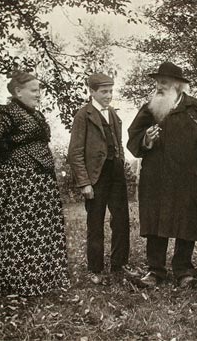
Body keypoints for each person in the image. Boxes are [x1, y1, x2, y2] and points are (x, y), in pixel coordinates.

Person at [127, 62, 197, 288]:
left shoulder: (195, 108)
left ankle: (184, 270)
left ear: (178, 86)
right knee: (155, 222)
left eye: (165, 82)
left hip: (188, 177)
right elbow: (133, 137)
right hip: (157, 178)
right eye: (158, 82)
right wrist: (146, 139)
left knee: (186, 221)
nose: (159, 86)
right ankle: (155, 271)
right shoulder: (150, 109)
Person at [0, 70, 70, 296]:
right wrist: (9, 158)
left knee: (39, 229)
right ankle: (18, 280)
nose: (39, 94)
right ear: (18, 91)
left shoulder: (34, 114)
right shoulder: (7, 111)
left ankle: (42, 277)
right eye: (34, 90)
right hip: (21, 181)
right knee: (21, 229)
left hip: (40, 179)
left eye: (39, 89)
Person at [68, 73, 135, 285]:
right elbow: (75, 153)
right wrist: (85, 183)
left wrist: (121, 163)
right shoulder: (83, 115)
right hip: (96, 177)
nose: (109, 95)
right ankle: (95, 268)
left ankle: (119, 265)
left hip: (115, 174)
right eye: (104, 91)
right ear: (92, 92)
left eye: (111, 91)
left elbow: (118, 143)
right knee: (95, 223)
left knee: (122, 220)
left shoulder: (113, 114)